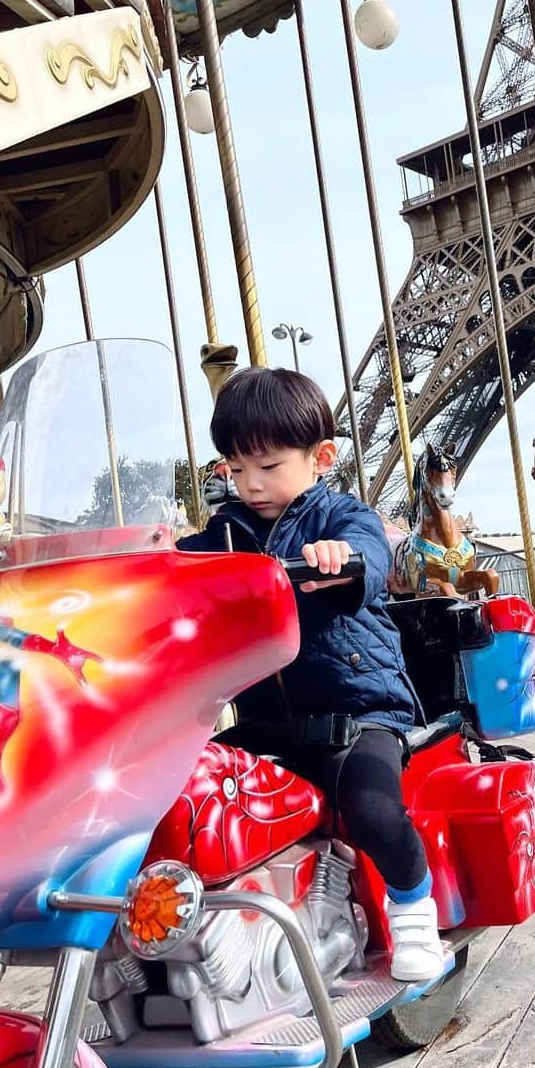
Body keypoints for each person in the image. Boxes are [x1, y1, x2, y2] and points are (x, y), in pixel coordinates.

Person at [178, 367, 442, 982]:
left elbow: (370, 552)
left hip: (359, 714)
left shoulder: (342, 516)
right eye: (235, 469)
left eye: (268, 468)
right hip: (269, 723)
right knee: (188, 790)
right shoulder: (223, 534)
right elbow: (176, 565)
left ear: (321, 457)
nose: (250, 485)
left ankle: (413, 912)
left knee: (372, 807)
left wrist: (342, 557)